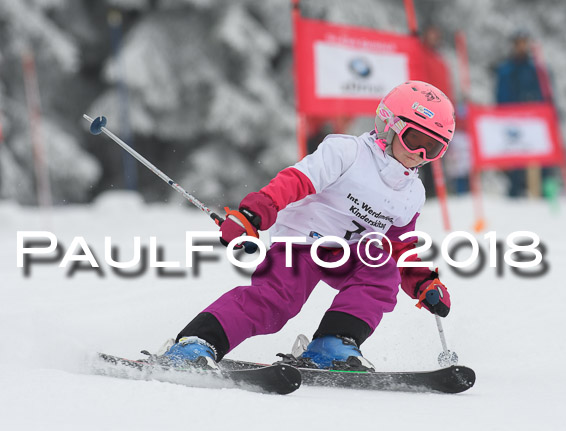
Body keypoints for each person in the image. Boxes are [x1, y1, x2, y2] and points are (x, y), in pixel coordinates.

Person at [159, 81, 455, 371]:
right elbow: (296, 181)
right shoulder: (347, 153)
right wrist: (253, 215)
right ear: (388, 125)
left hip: (349, 254)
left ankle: (332, 344)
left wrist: (423, 281)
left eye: (434, 148)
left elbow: (400, 246)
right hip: (300, 244)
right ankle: (195, 344)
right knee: (276, 303)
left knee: (382, 271)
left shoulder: (412, 192)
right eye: (415, 140)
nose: (420, 155)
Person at [494, 29, 551, 197]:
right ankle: (514, 194)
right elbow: (501, 95)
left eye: (524, 43)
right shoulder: (506, 69)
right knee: (515, 160)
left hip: (532, 121)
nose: (521, 46)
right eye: (518, 43)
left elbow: (544, 94)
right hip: (512, 121)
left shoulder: (536, 69)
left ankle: (541, 194)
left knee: (538, 160)